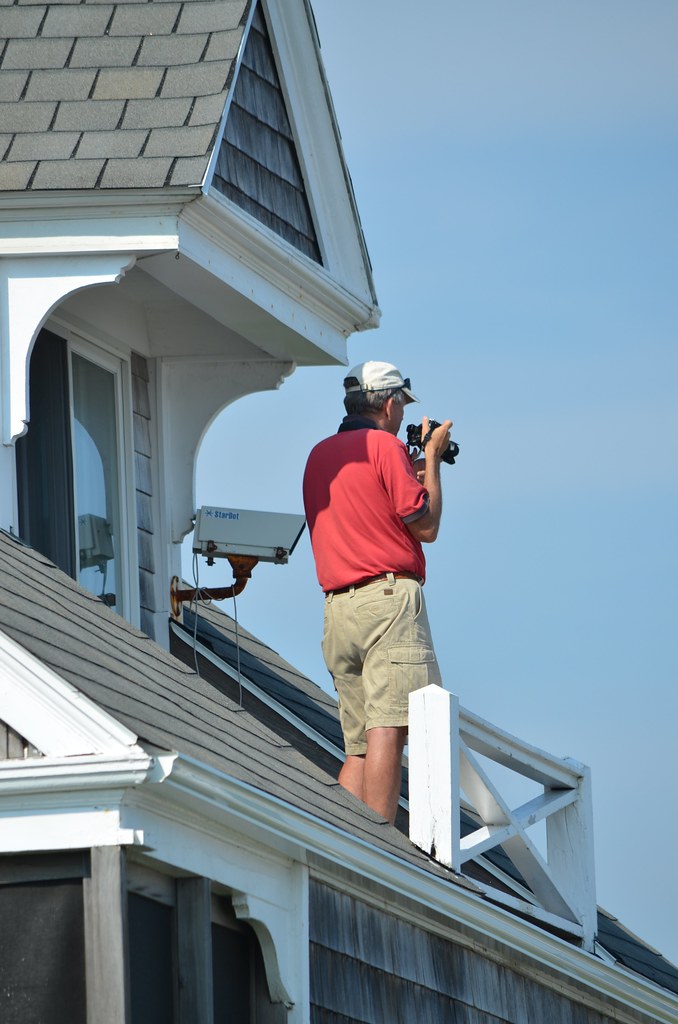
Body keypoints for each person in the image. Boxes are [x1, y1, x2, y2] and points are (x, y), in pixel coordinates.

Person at [302, 360, 452, 824]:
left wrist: (406, 467)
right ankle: (383, 854)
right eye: (402, 405)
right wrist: (429, 461)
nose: (403, 414)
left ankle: (348, 848)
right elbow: (425, 526)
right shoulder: (385, 447)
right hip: (386, 602)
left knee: (359, 743)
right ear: (389, 404)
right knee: (390, 727)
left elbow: (366, 503)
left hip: (338, 610)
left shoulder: (319, 455)